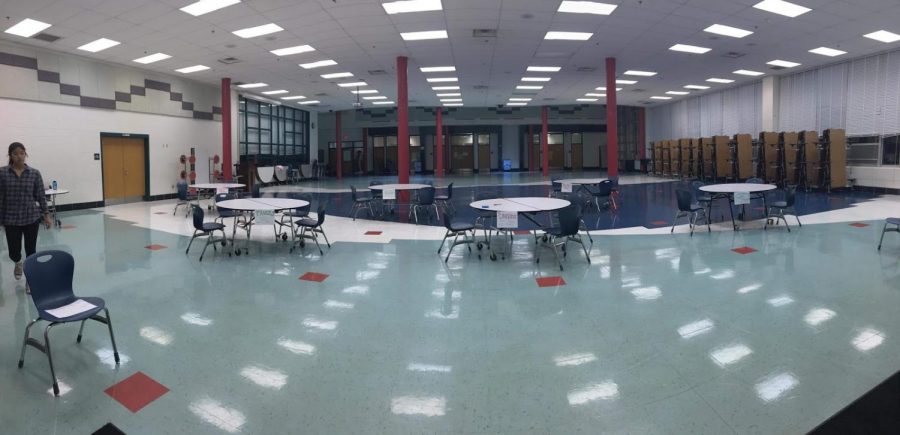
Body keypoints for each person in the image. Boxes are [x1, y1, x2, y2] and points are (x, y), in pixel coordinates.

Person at [0, 142, 52, 289]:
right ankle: (18, 263)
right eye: (15, 153)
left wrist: (46, 215)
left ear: (25, 154)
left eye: (21, 153)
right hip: (11, 219)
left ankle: (30, 280)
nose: (19, 156)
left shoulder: (34, 173)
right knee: (13, 252)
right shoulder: (2, 173)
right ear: (10, 155)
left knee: (31, 250)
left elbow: (41, 196)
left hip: (31, 218)